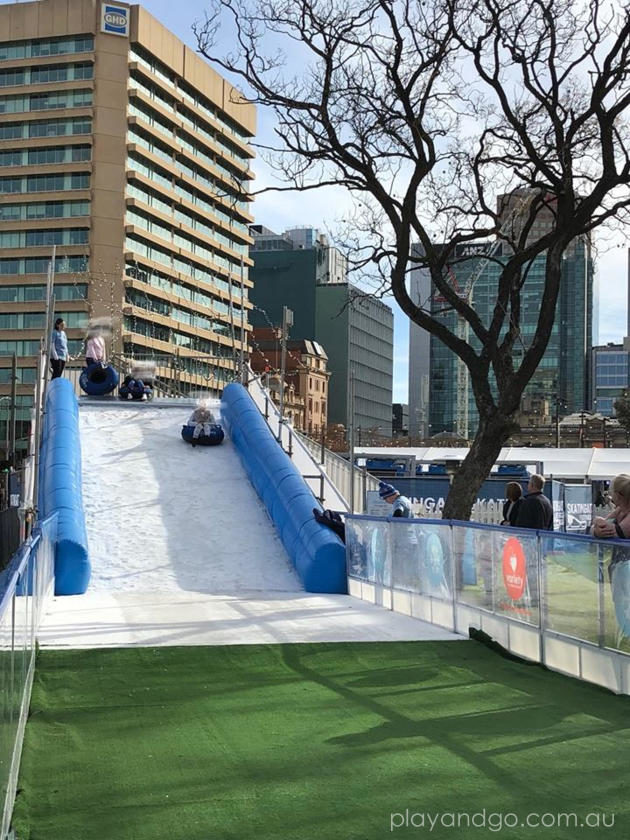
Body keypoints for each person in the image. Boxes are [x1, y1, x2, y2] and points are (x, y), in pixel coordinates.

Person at [591, 474, 630, 539]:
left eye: (611, 492)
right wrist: (596, 525)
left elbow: (613, 532)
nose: (610, 495)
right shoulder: (620, 509)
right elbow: (600, 525)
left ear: (618, 495)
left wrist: (596, 522)